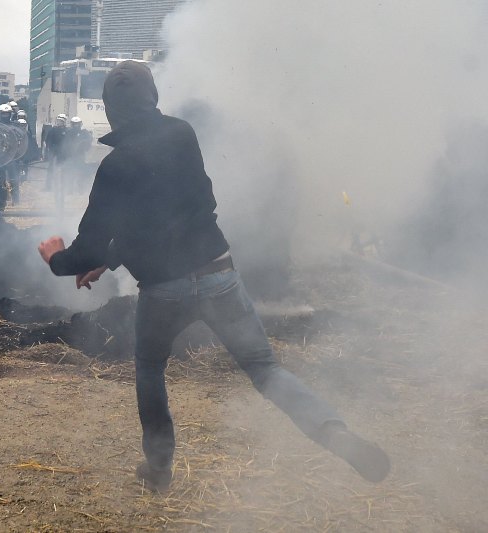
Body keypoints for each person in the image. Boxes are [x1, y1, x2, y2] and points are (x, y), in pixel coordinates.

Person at [37, 61, 390, 493]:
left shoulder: (116, 166)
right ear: (154, 99)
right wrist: (110, 260)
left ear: (110, 110)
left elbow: (89, 247)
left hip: (163, 293)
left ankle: (160, 470)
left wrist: (57, 259)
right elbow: (170, 214)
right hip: (219, 275)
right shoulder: (182, 134)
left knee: (149, 368)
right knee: (264, 369)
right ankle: (333, 432)